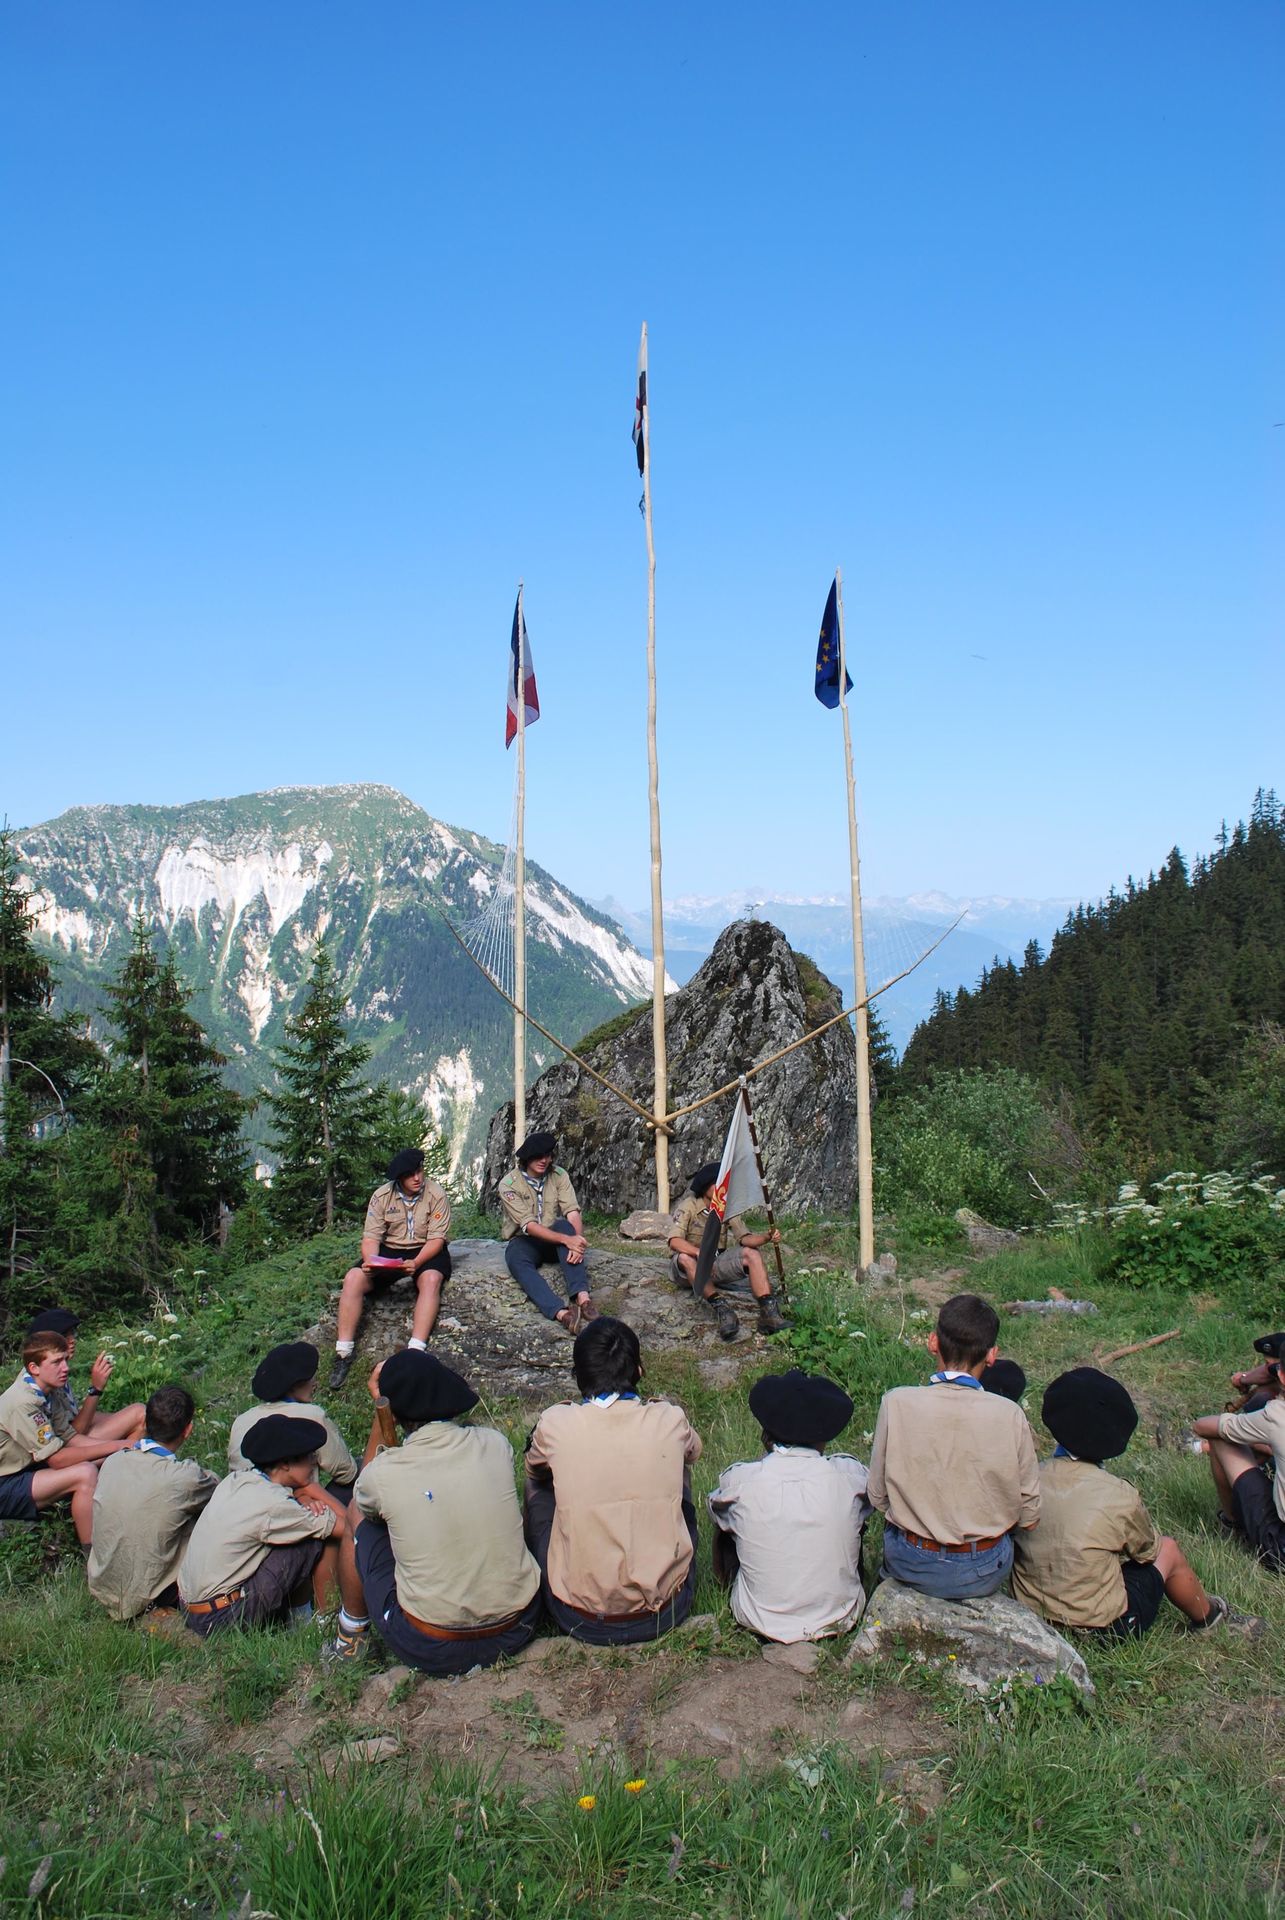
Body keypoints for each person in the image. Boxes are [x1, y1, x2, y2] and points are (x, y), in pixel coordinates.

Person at [325, 1351, 542, 1671]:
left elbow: (364, 1495)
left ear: (395, 1413)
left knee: (358, 1513)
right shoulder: (494, 1444)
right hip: (518, 1628)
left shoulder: (385, 1473)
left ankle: (350, 1638)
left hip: (433, 1646)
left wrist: (382, 1412)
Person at [1014, 1368, 1260, 1637]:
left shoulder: (1026, 1477)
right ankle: (1209, 1616)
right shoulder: (1119, 1495)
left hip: (1030, 1613)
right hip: (1103, 1628)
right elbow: (1146, 1551)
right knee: (1168, 1549)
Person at [524, 1317, 702, 1643]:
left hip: (579, 1616)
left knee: (538, 1481)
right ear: (639, 1370)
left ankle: (551, 1579)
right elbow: (694, 1452)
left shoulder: (555, 1423)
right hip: (667, 1610)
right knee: (680, 1467)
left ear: (578, 1375)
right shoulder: (669, 1417)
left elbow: (533, 1469)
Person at [867, 1292, 1040, 1599]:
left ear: (933, 1342)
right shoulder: (1010, 1414)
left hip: (911, 1558)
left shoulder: (896, 1402)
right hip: (981, 1567)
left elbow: (878, 1496)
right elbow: (1029, 1515)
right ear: (991, 1355)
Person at [709, 1367, 871, 1643]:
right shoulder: (850, 1477)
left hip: (759, 1619)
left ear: (768, 1431)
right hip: (840, 1618)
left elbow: (715, 1508)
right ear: (825, 1433)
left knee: (728, 1521)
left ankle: (737, 1588)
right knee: (854, 1517)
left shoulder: (740, 1482)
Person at [178, 1414, 358, 1635]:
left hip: (190, 1608)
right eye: (308, 1456)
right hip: (219, 1619)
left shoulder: (236, 1481)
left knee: (303, 1523)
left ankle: (295, 1615)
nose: (314, 1461)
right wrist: (312, 1489)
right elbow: (348, 1529)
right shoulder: (273, 1505)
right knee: (313, 1538)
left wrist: (304, 1497)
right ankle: (310, 1623)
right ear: (285, 1464)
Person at [87, 1386, 220, 1622]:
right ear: (187, 1429)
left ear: (145, 1423)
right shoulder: (184, 1477)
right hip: (151, 1591)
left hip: (104, 1584)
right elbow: (219, 1491)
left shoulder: (114, 1461)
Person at [330, 1149, 452, 1389]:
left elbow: (437, 1239)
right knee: (354, 1278)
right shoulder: (381, 1196)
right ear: (399, 1179)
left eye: (419, 1171)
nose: (417, 1178)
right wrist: (372, 1261)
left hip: (426, 1250)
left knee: (430, 1280)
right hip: (390, 1250)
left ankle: (416, 1351)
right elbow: (371, 1237)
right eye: (410, 1175)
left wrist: (416, 1262)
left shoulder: (436, 1194)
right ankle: (343, 1353)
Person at [0, 1333, 103, 1546]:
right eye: (57, 1362)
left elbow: (70, 1437)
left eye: (65, 1359)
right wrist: (120, 1446)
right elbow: (56, 1459)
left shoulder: (46, 1390)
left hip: (26, 1470)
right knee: (85, 1472)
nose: (65, 1367)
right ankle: (92, 1558)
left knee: (102, 1459)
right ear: (34, 1367)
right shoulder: (23, 1402)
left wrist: (123, 1448)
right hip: (5, 1482)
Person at [667, 1162, 788, 1340]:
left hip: (715, 1263)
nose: (721, 1187)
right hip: (688, 1267)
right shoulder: (689, 1206)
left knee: (751, 1253)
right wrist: (698, 1253)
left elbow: (745, 1238)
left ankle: (769, 1313)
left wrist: (766, 1237)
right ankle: (721, 1308)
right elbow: (674, 1240)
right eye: (717, 1183)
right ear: (705, 1185)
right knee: (685, 1258)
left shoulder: (726, 1207)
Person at [497, 1131, 597, 1334]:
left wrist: (577, 1242)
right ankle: (563, 1314)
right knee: (516, 1258)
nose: (544, 1160)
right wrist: (567, 1240)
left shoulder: (559, 1175)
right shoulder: (508, 1185)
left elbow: (572, 1211)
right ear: (526, 1157)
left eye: (548, 1155)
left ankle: (583, 1298)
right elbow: (529, 1226)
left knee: (564, 1226)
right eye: (538, 1156)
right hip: (526, 1240)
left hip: (553, 1236)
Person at [229, 1342, 357, 1500]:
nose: (315, 1384)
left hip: (243, 1500)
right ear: (295, 1384)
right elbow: (346, 1473)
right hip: (295, 1506)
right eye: (311, 1378)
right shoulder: (312, 1415)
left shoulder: (241, 1421)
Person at [1193, 1351, 1285, 1571]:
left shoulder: (1277, 1414)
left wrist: (1257, 1440)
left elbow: (1201, 1426)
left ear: (1281, 1376)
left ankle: (1231, 1524)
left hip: (1281, 1548)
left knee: (1220, 1439)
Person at [26, 1307, 145, 1446]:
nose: (72, 1340)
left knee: (139, 1418)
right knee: (139, 1415)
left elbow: (71, 1419)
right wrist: (95, 1389)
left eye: (73, 1333)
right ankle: (122, 1460)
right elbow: (71, 1435)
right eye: (64, 1336)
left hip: (67, 1434)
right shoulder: (40, 1381)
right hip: (59, 1447)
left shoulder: (54, 1369)